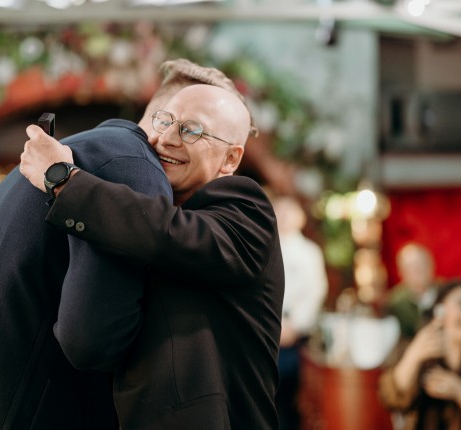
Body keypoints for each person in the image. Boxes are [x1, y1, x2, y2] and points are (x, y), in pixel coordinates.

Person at [0, 59, 238, 430]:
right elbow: (93, 340)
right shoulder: (135, 167)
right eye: (192, 128)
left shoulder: (86, 149)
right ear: (168, 112)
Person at [19, 83, 284, 429]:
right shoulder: (151, 222)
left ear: (231, 159)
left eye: (192, 130)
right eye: (165, 121)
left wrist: (63, 180)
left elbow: (169, 233)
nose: (166, 139)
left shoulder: (247, 206)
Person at [379, 278, 461, 430]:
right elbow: (393, 398)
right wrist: (414, 354)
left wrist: (460, 391)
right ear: (440, 310)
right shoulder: (419, 352)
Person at [271, 194, 328, 430]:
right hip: (264, 328)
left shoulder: (309, 252)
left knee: (287, 399)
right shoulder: (263, 245)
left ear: (300, 217)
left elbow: (315, 292)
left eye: (289, 211)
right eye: (279, 210)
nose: (284, 216)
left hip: (291, 335)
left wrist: (294, 325)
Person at [386, 242, 440, 338]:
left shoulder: (448, 292)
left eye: (421, 263)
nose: (418, 269)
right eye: (411, 266)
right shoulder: (395, 302)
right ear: (401, 272)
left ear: (432, 264)